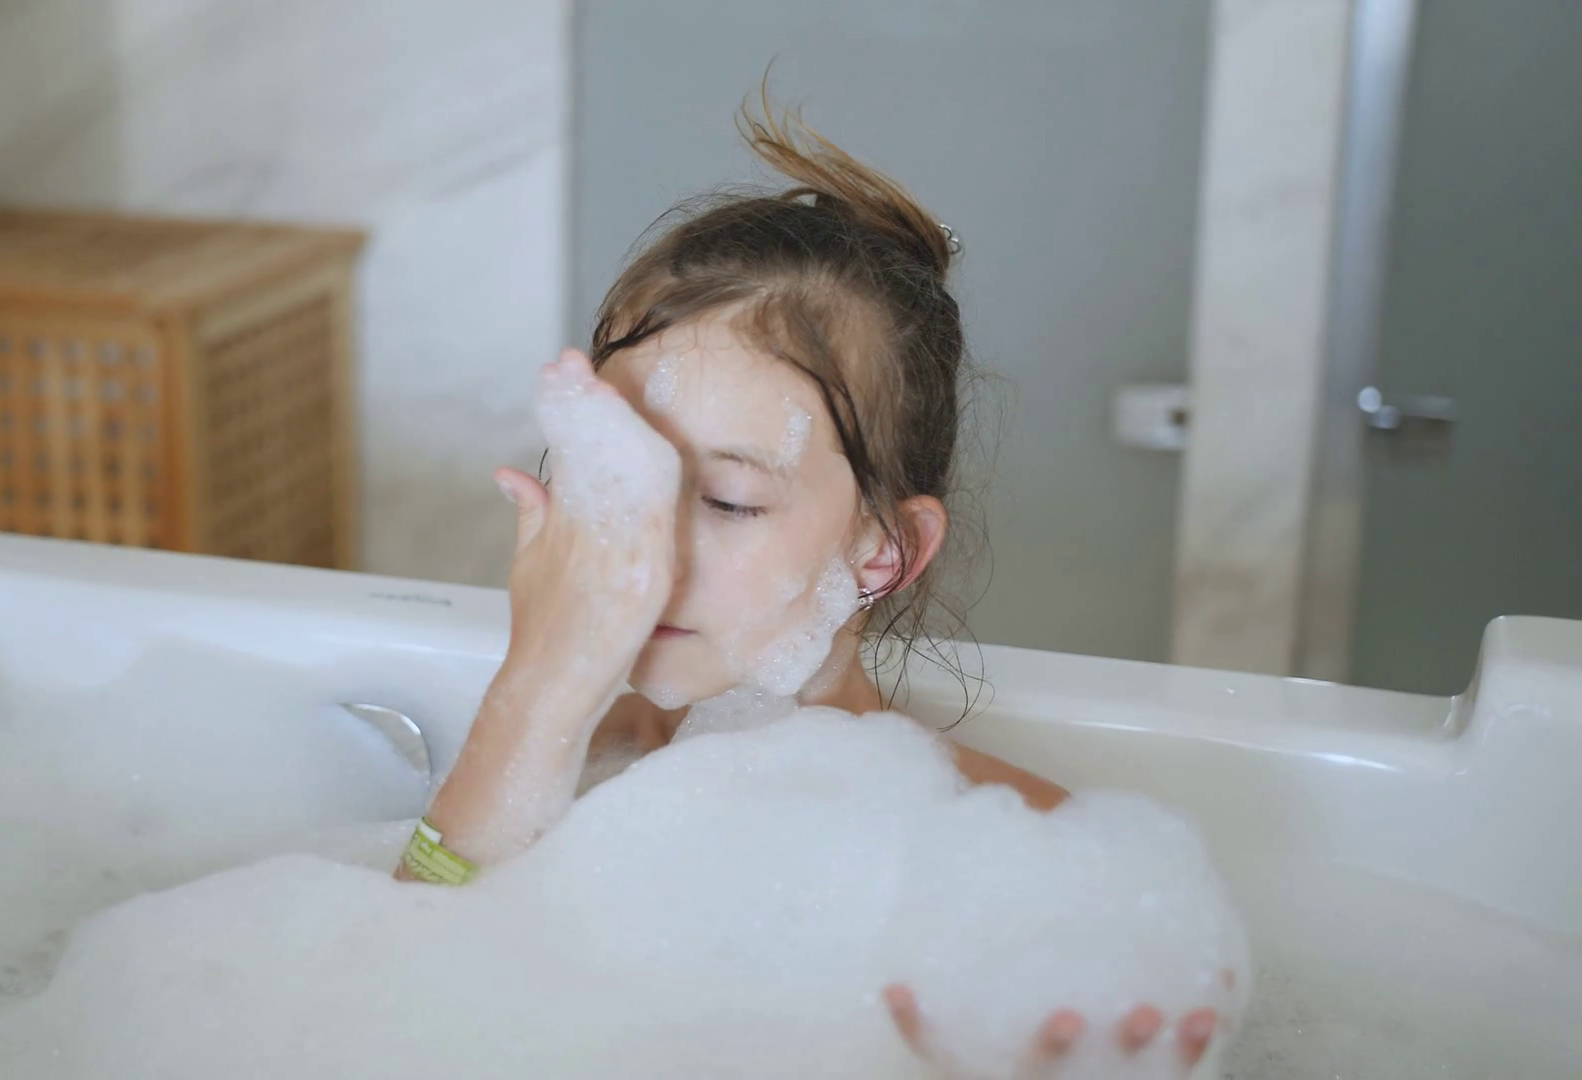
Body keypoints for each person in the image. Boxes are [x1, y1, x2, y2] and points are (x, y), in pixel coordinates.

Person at [398, 97, 1224, 1074]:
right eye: (613, 474)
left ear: (883, 553)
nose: (641, 555)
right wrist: (533, 694)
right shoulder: (540, 770)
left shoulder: (1042, 869)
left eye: (731, 501)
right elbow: (384, 1002)